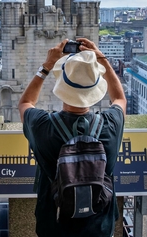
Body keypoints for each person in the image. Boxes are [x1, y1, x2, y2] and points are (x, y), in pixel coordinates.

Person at [19, 37, 126, 237]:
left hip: (54, 223)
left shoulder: (43, 125)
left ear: (62, 86)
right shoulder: (110, 124)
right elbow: (119, 98)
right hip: (100, 226)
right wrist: (102, 60)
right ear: (95, 89)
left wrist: (47, 66)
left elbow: (25, 103)